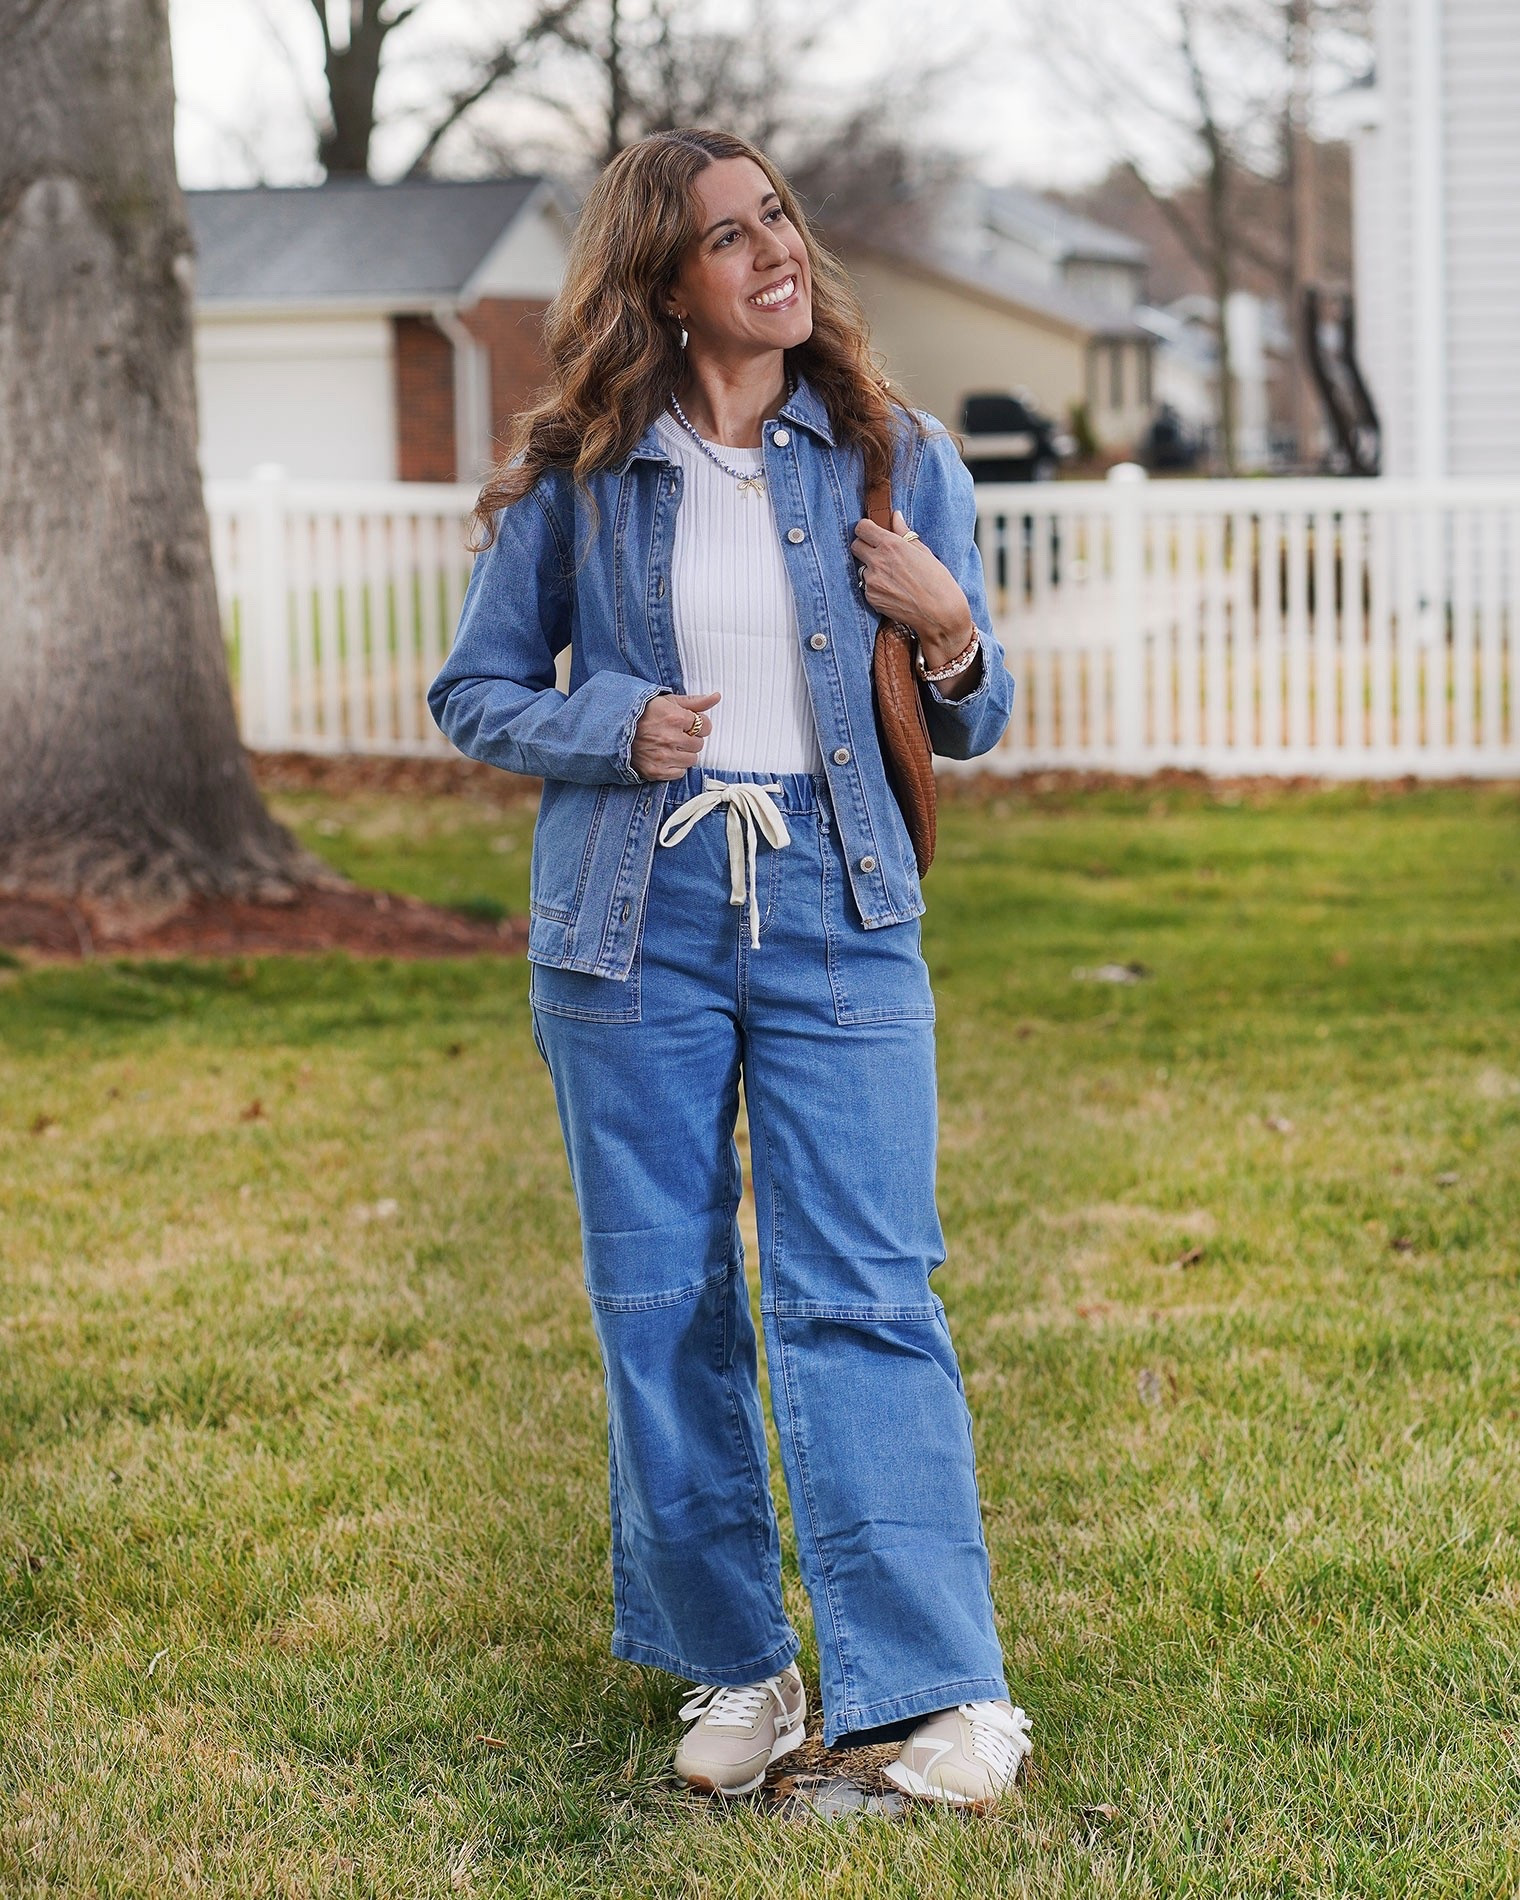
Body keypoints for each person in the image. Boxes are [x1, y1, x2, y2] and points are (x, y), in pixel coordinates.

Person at [428, 126, 1033, 1811]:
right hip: (634, 923)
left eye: (776, 215)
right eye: (723, 235)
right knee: (663, 1305)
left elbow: (979, 713)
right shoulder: (583, 472)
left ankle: (946, 1694)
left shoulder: (897, 455)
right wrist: (617, 724)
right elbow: (475, 695)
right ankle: (743, 1667)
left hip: (839, 900)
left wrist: (948, 622)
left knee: (866, 1291)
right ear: (660, 283)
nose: (772, 249)